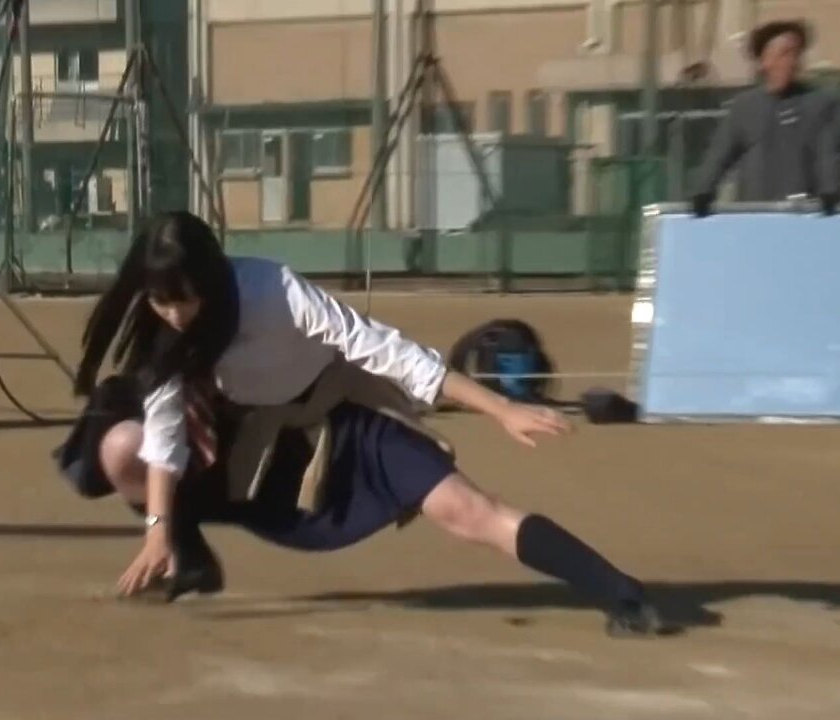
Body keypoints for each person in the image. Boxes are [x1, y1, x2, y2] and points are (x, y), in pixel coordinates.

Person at [55, 211, 660, 638]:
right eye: (160, 300)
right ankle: (189, 555)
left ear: (212, 278)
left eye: (183, 298)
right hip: (256, 439)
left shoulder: (274, 290)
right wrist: (159, 531)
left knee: (466, 510)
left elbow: (382, 348)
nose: (174, 313)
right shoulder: (168, 331)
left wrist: (499, 407)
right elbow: (164, 438)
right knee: (119, 448)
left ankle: (620, 592)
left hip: (345, 410)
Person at [691, 19, 840, 216]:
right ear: (764, 61)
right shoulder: (745, 107)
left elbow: (829, 155)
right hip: (757, 219)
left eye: (796, 54)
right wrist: (703, 191)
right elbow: (719, 154)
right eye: (784, 54)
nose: (792, 62)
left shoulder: (821, 103)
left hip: (808, 219)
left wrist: (830, 192)